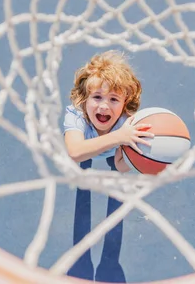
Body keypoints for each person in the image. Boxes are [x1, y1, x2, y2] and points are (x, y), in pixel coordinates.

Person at [62, 50, 154, 282]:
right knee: (83, 167)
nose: (104, 106)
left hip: (115, 149)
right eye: (97, 97)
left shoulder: (128, 123)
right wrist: (119, 137)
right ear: (84, 100)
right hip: (92, 146)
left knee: (118, 182)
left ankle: (109, 261)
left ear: (124, 104)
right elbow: (74, 151)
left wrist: (132, 154)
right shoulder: (76, 116)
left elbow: (123, 168)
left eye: (113, 99)